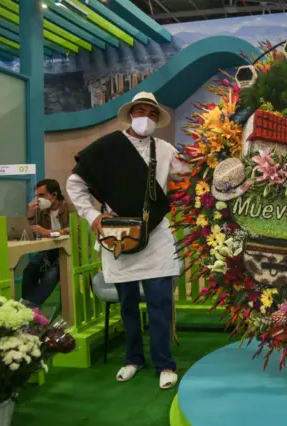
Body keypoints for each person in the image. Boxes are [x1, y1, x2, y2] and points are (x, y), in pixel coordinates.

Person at [66, 92, 188, 390]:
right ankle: (133, 359)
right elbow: (74, 183)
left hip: (156, 235)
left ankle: (164, 363)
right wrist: (92, 216)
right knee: (128, 305)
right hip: (119, 236)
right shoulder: (107, 147)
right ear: (131, 114)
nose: (146, 116)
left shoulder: (166, 149)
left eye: (152, 113)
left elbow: (189, 174)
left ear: (157, 119)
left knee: (160, 304)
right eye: (140, 110)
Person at [22, 179, 74, 307]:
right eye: (37, 195)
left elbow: (76, 229)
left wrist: (49, 232)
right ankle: (24, 307)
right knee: (30, 269)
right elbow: (28, 233)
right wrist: (29, 216)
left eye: (42, 195)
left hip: (71, 250)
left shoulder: (69, 207)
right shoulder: (40, 210)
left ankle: (31, 307)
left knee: (52, 274)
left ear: (54, 195)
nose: (38, 199)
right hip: (50, 249)